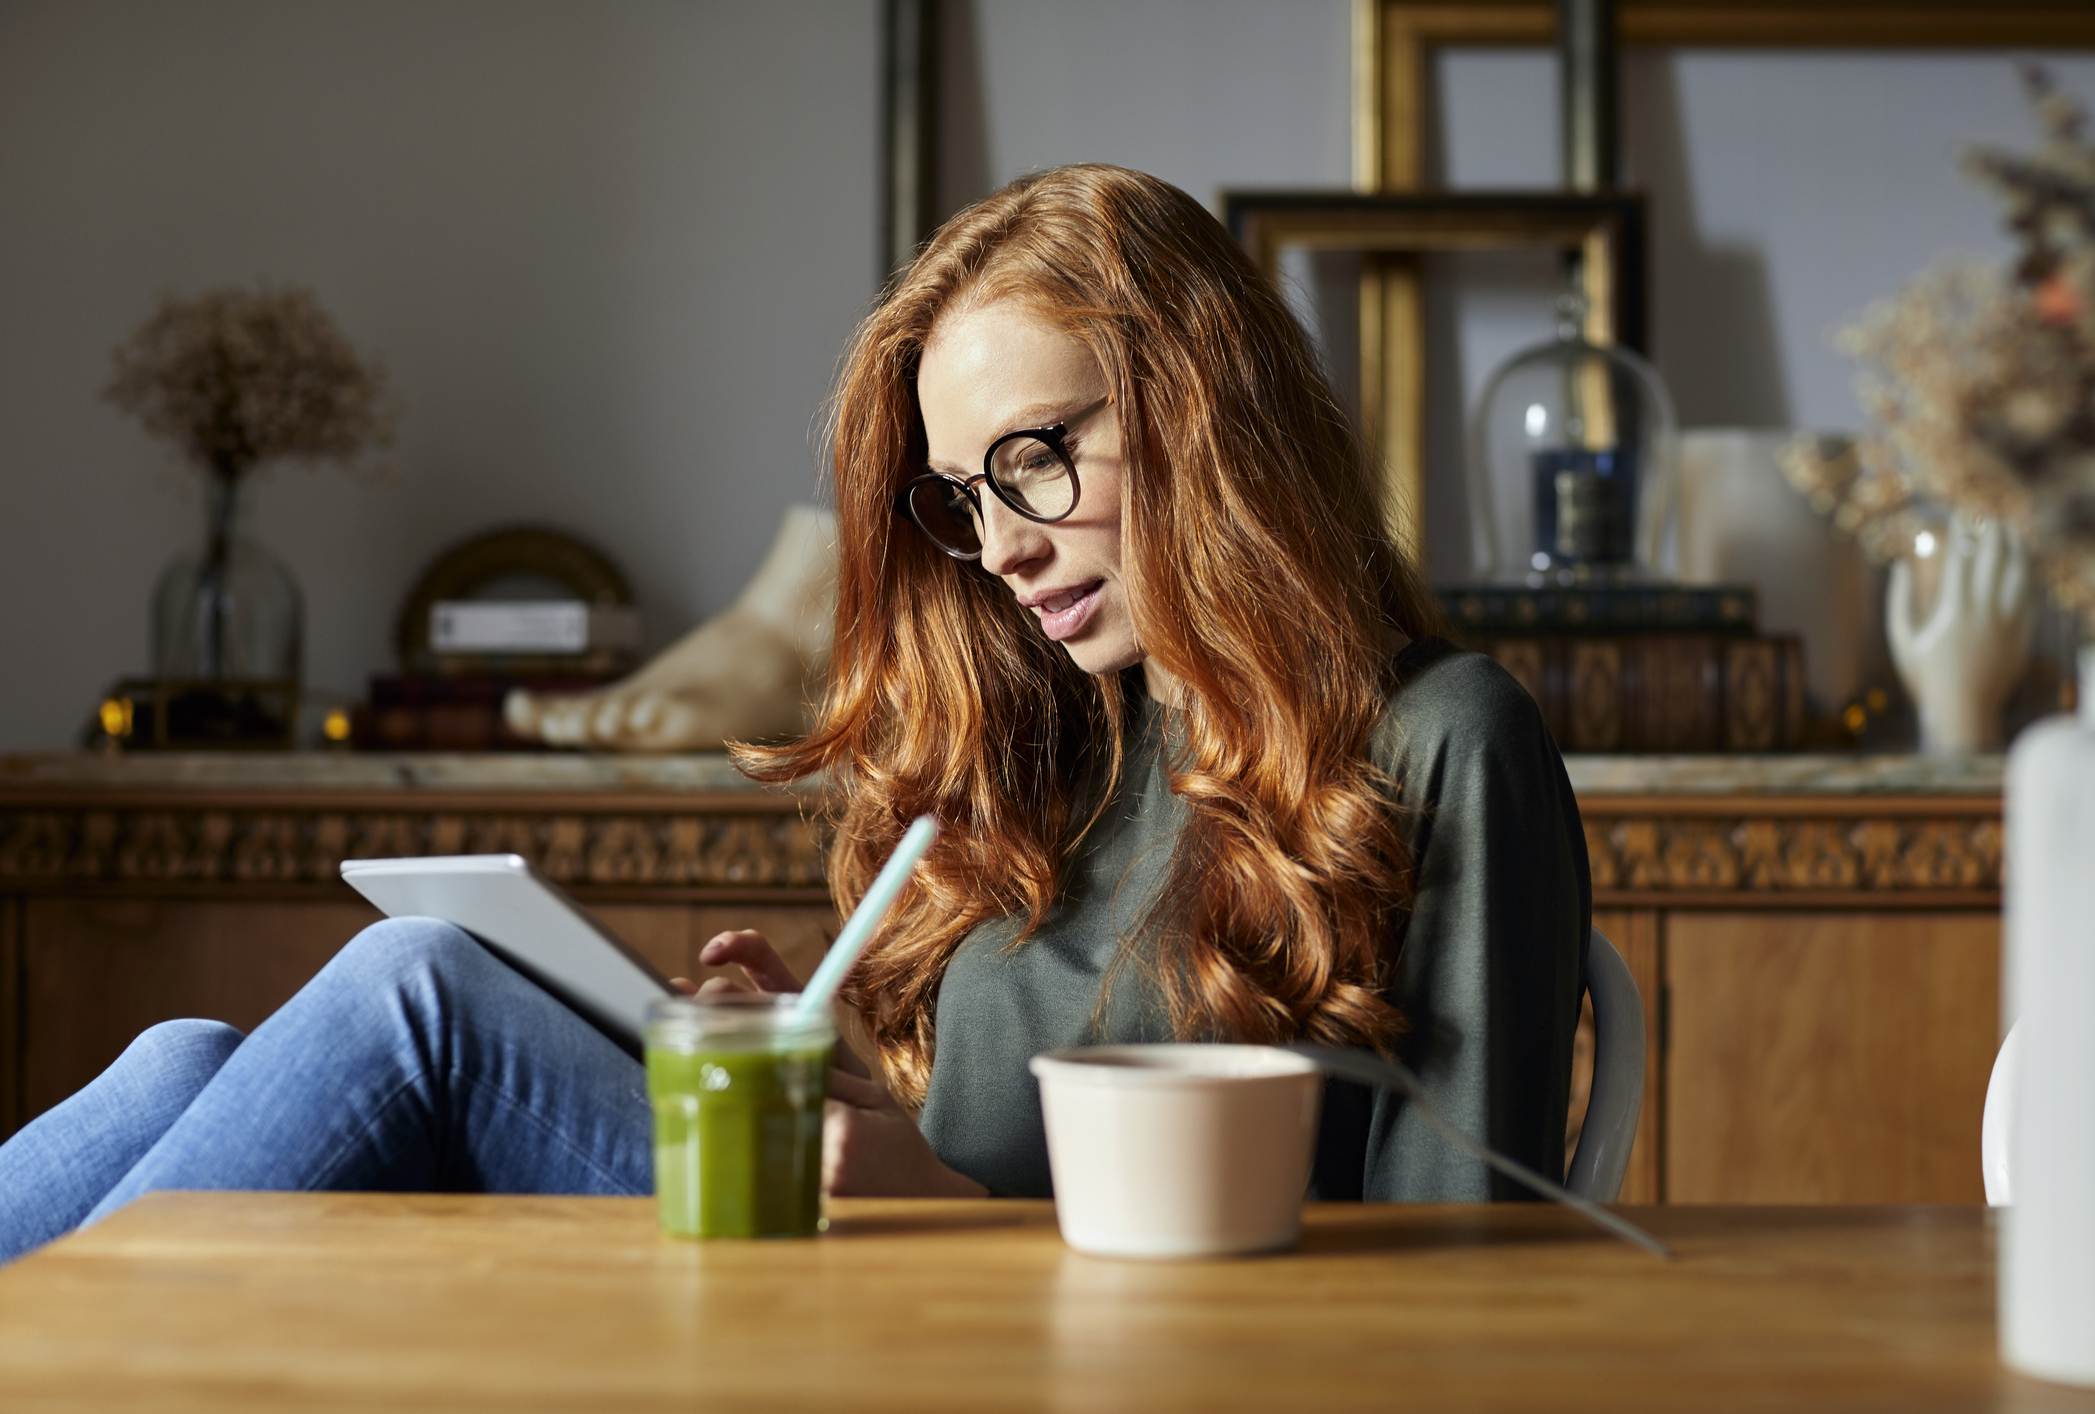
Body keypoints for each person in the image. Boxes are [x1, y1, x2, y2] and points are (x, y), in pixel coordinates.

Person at [0, 164, 1587, 1263]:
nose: (1003, 544)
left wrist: (943, 1207)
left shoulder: (1440, 741)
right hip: (908, 1282)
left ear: (1203, 413)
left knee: (417, 991)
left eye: (1037, 456)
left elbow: (1451, 1291)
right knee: (183, 1060)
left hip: (1045, 1349)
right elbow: (992, 1145)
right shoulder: (1060, 753)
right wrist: (819, 1080)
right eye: (964, 494)